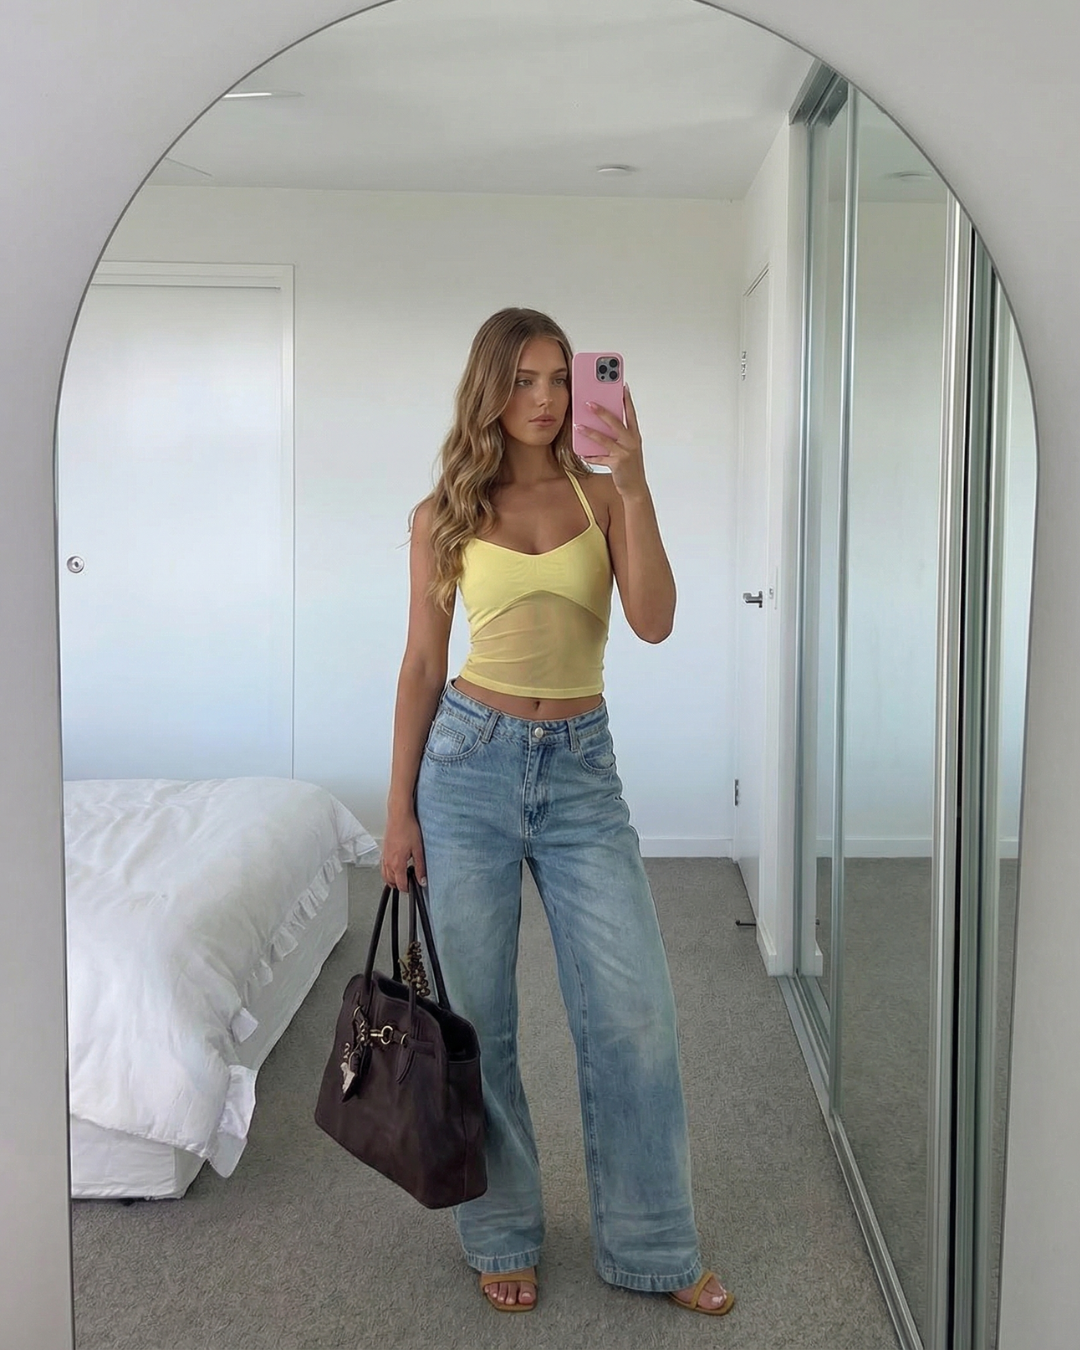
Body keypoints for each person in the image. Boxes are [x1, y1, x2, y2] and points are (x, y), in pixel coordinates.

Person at [381, 307, 733, 1318]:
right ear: (491, 388)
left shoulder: (603, 493)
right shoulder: (444, 512)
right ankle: (500, 1232)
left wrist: (638, 481)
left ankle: (654, 1245)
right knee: (478, 1019)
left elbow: (655, 623)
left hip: (581, 771)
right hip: (466, 768)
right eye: (524, 379)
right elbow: (421, 665)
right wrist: (399, 811)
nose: (543, 399)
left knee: (634, 1014)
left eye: (558, 379)